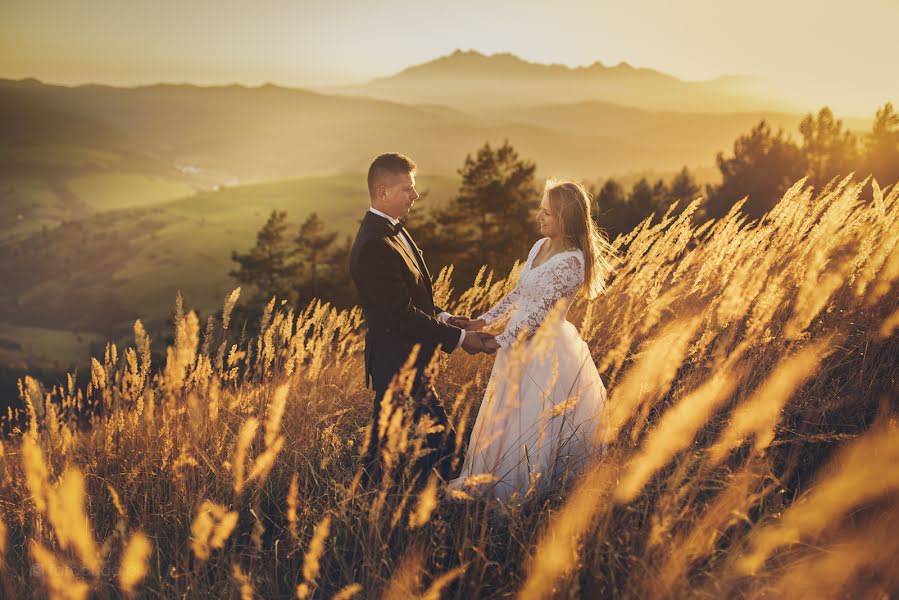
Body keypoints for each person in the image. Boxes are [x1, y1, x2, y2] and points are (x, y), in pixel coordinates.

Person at [445, 180, 614, 504]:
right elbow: (519, 295)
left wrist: (497, 342)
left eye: (546, 212)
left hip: (545, 353)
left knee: (535, 421)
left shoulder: (572, 262)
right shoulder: (540, 246)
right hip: (515, 348)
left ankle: (525, 496)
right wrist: (482, 321)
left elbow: (537, 317)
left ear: (564, 219)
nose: (539, 216)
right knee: (508, 417)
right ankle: (491, 482)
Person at [349, 152, 496, 487]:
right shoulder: (374, 244)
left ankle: (370, 506)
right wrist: (461, 340)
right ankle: (439, 511)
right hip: (399, 365)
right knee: (445, 453)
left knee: (386, 453)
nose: (415, 195)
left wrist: (445, 317)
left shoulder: (394, 232)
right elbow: (399, 315)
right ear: (383, 191)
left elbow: (410, 297)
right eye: (407, 189)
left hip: (408, 365)